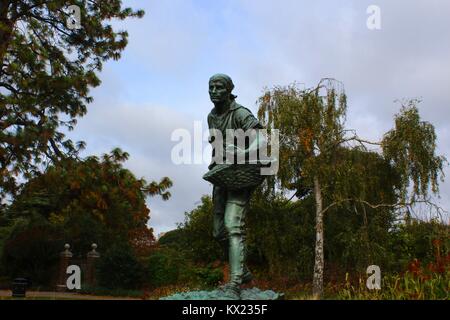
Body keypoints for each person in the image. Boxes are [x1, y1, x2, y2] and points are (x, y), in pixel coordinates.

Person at [206, 73, 264, 298]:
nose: (214, 91)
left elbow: (261, 139)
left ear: (229, 90)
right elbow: (217, 146)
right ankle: (245, 273)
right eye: (210, 87)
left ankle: (235, 283)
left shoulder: (241, 113)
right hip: (221, 175)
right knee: (218, 231)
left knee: (233, 225)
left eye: (219, 87)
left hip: (241, 175)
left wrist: (243, 153)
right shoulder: (211, 117)